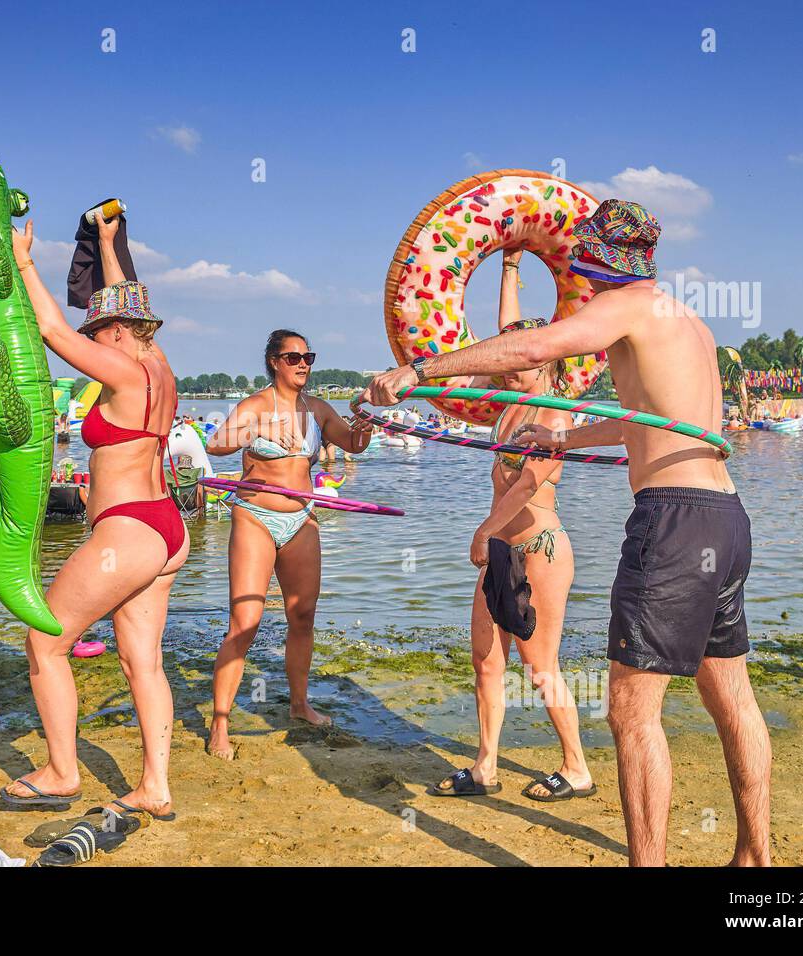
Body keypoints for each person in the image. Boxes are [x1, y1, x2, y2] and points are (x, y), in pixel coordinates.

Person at [369, 200, 771, 866]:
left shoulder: (628, 307)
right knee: (733, 697)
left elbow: (529, 345)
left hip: (672, 519)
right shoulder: (684, 321)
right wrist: (565, 433)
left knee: (631, 711)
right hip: (724, 516)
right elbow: (650, 421)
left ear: (595, 261)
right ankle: (755, 857)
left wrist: (420, 371)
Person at [3, 212, 186, 821]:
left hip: (128, 530)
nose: (95, 337)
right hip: (166, 527)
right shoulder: (160, 367)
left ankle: (61, 773)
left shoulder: (124, 369)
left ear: (116, 332)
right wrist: (109, 244)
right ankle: (155, 787)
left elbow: (54, 332)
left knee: (46, 642)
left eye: (100, 329)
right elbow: (123, 299)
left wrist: (23, 259)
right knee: (144, 663)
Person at [429, 247, 594, 802]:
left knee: (539, 663)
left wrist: (483, 531)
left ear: (547, 359)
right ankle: (485, 766)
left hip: (539, 546)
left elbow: (526, 484)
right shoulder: (507, 408)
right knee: (485, 659)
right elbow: (510, 330)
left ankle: (576, 767)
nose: (511, 358)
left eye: (523, 354)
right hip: (501, 547)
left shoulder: (554, 413)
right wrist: (508, 267)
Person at [204, 330, 372, 760]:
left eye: (308, 356)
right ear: (274, 362)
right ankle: (219, 723)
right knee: (246, 621)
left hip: (301, 518)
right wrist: (256, 428)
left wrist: (365, 428)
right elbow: (216, 444)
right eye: (293, 357)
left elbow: (353, 443)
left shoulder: (316, 409)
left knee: (303, 615)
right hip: (256, 516)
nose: (303, 364)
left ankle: (299, 705)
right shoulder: (254, 407)